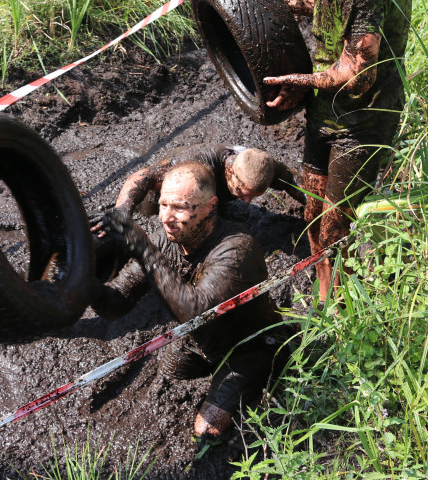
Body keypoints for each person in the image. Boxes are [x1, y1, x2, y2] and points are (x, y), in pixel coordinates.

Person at [267, 0, 412, 302]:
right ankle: (326, 290)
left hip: (363, 118)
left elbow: (359, 70)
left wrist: (301, 82)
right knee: (312, 210)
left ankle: (341, 312)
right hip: (326, 111)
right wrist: (298, 3)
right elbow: (340, 10)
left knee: (336, 225)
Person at [91, 163, 286, 444]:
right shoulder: (164, 242)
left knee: (206, 429)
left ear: (210, 207)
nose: (166, 218)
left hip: (247, 347)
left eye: (180, 208)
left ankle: (261, 380)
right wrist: (85, 283)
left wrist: (144, 250)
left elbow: (198, 312)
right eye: (162, 205)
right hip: (200, 342)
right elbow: (116, 304)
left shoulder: (236, 247)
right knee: (171, 373)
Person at [113, 143, 304, 216]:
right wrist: (122, 211)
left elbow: (294, 183)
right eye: (241, 193)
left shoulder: (265, 166)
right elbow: (143, 176)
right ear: (230, 172)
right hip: (158, 198)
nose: (247, 202)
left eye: (254, 196)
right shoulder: (197, 170)